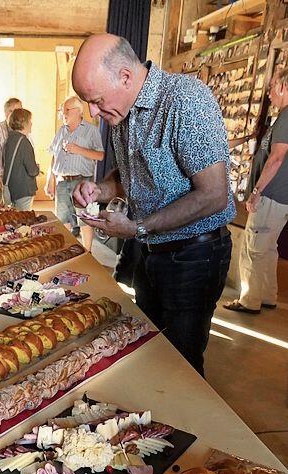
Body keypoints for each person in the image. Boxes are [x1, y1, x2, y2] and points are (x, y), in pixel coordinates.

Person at [72, 34, 235, 376]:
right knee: (148, 349)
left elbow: (213, 194)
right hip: (152, 251)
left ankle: (185, 427)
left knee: (181, 364)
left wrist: (139, 227)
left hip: (194, 256)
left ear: (126, 78)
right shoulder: (123, 110)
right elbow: (131, 174)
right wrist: (99, 189)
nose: (93, 112)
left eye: (97, 100)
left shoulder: (184, 101)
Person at [224, 68, 288, 314]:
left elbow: (277, 157)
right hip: (279, 196)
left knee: (254, 247)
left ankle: (248, 300)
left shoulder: (285, 116)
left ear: (282, 86)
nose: (269, 93)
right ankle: (267, 295)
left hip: (272, 195)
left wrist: (256, 191)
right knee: (268, 248)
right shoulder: (281, 116)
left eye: (271, 87)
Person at [45, 95, 104, 250]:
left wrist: (79, 150)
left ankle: (87, 253)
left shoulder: (91, 130)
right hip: (62, 182)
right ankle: (65, 252)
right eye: (62, 110)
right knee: (62, 219)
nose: (63, 113)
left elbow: (100, 155)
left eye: (66, 110)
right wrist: (49, 180)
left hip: (82, 181)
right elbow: (54, 156)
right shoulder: (61, 131)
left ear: (79, 111)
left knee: (84, 220)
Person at [2, 107, 39, 210]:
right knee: (23, 221)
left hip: (12, 188)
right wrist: (38, 169)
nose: (31, 124)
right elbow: (32, 170)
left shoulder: (9, 140)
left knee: (14, 219)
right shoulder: (24, 141)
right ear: (24, 122)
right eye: (30, 121)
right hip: (24, 190)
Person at [0, 97, 22, 201]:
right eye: (12, 111)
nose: (16, 114)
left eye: (19, 111)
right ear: (6, 113)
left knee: (20, 213)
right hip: (3, 177)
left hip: (20, 178)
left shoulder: (25, 128)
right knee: (3, 211)